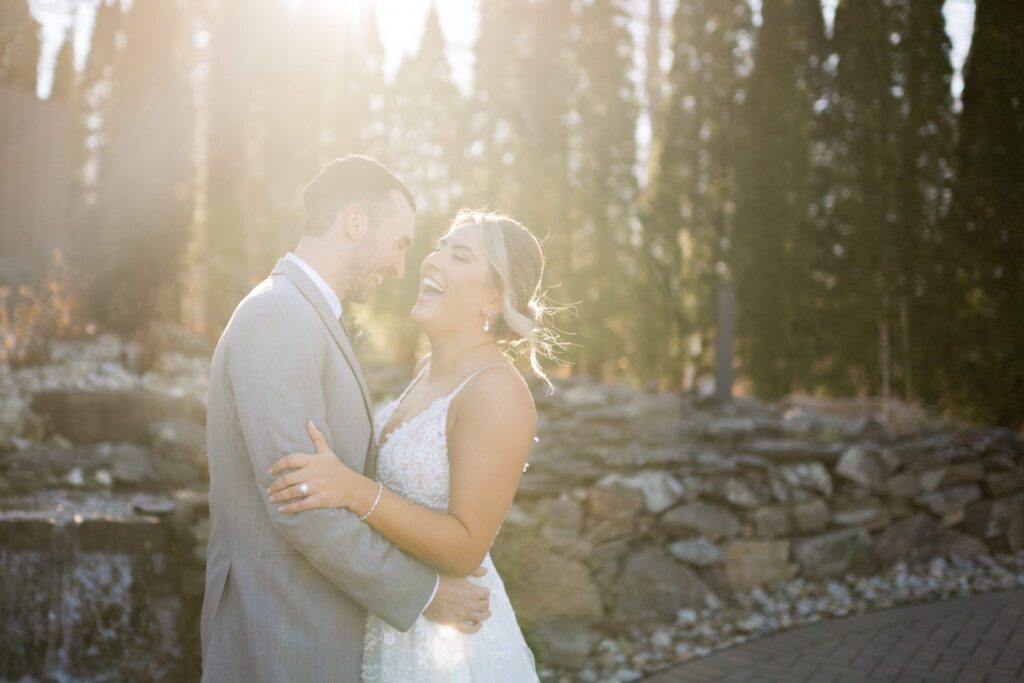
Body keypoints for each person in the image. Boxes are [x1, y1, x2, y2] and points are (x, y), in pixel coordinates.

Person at [201, 157, 492, 683]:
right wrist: (425, 594)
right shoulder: (278, 316)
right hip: (280, 635)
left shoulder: (306, 314)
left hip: (310, 630)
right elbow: (302, 504)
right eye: (401, 243)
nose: (404, 268)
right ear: (355, 222)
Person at [266, 209, 556, 681]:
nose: (431, 261)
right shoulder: (427, 370)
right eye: (440, 246)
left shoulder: (496, 390)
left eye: (458, 255)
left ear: (494, 299)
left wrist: (351, 490)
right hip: (396, 618)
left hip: (447, 647)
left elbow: (466, 546)